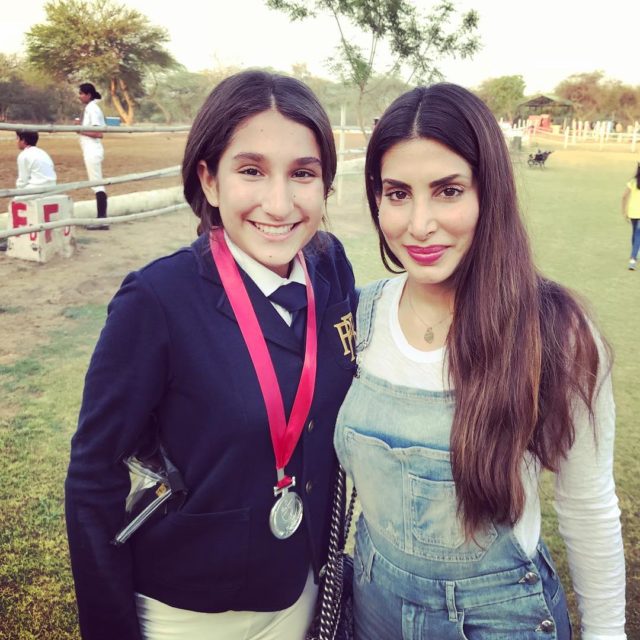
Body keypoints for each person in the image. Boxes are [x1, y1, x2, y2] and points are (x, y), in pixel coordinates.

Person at [65, 69, 358, 640]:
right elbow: (92, 473)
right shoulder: (155, 300)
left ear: (325, 184)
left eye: (302, 173)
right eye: (251, 171)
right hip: (188, 612)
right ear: (210, 180)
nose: (279, 203)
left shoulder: (331, 267)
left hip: (301, 589)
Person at [334, 83, 626, 639]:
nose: (419, 224)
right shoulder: (359, 316)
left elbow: (587, 505)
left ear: (490, 192)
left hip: (500, 620)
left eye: (447, 191)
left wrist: (607, 631)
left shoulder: (557, 332)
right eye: (398, 193)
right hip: (373, 604)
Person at [78, 82, 108, 230]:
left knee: (97, 184)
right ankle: (101, 219)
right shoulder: (90, 108)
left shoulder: (93, 109)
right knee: (96, 183)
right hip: (89, 149)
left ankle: (102, 220)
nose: (80, 96)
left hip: (92, 149)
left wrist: (79, 130)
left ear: (88, 94)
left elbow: (98, 133)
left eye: (82, 93)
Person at [621, 163, 640, 270]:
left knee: (636, 234)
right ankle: (633, 259)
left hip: (633, 212)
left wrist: (624, 211)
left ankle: (634, 254)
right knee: (638, 235)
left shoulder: (633, 182)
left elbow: (624, 196)